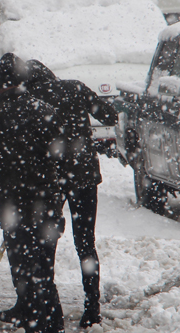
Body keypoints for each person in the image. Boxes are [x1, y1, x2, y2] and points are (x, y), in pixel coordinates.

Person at [0, 53, 65, 332]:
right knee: (44, 270)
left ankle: (40, 324)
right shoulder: (48, 112)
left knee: (24, 272)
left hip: (14, 209)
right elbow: (61, 162)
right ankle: (50, 322)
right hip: (48, 207)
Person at [25, 59, 115, 328]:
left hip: (50, 178)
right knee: (85, 243)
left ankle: (50, 309)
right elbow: (109, 116)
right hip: (84, 174)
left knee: (46, 243)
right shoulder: (75, 88)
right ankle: (92, 309)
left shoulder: (31, 99)